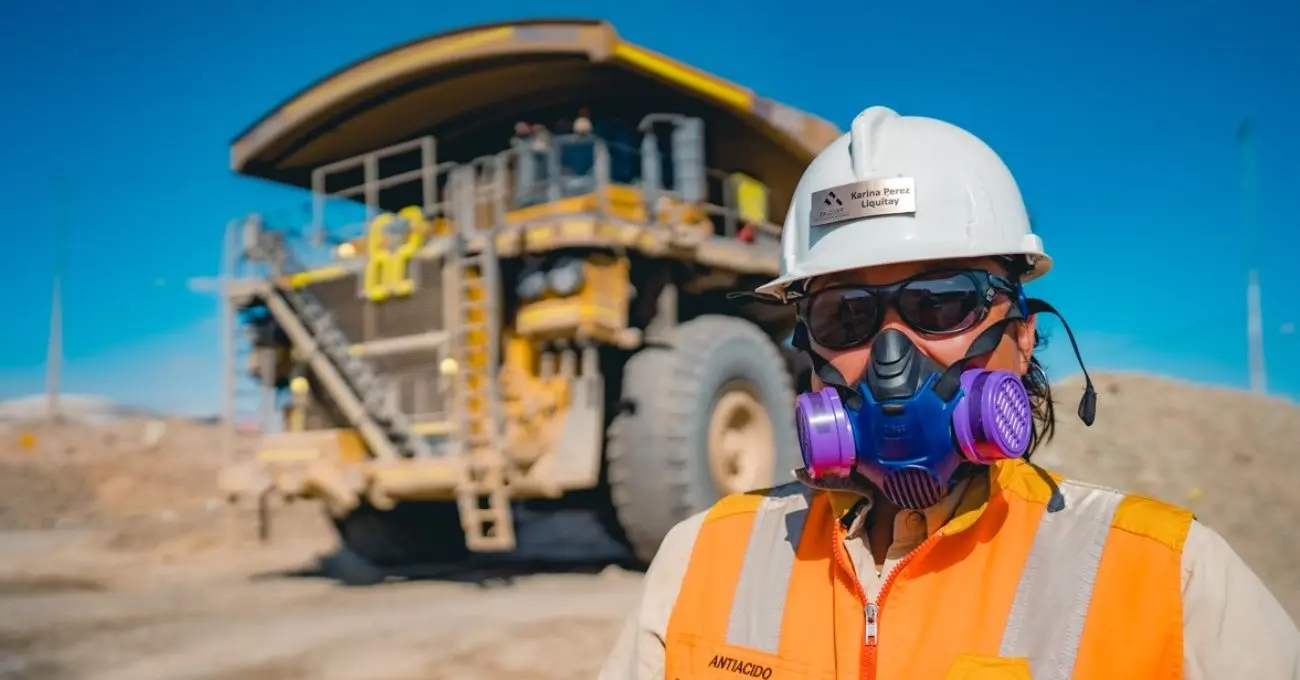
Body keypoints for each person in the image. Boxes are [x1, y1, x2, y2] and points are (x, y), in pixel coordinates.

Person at [598, 105, 1300, 680]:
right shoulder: (703, 561)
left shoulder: (1169, 577)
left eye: (941, 303)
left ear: (1021, 335)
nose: (892, 356)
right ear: (808, 347)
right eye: (846, 315)